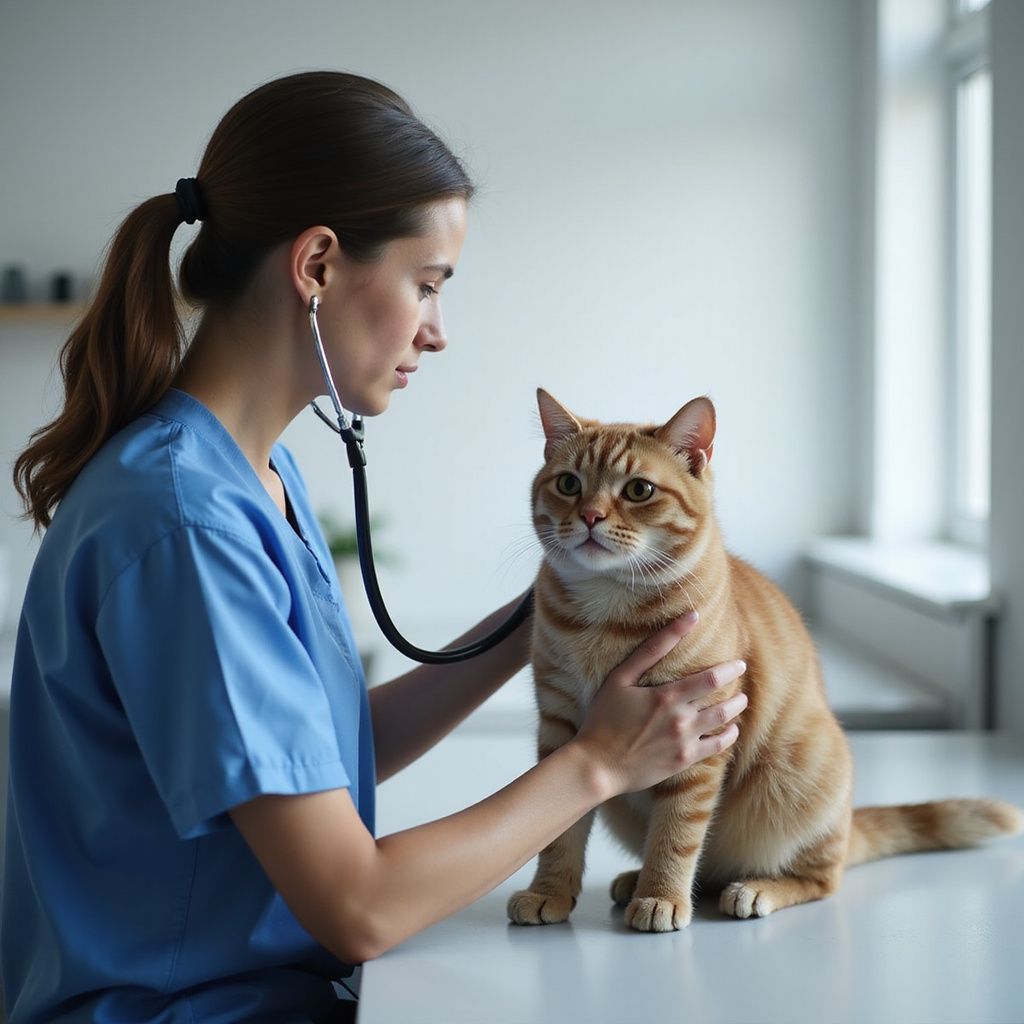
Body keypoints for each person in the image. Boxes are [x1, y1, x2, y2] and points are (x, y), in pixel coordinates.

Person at [1, 71, 747, 1023]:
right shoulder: (184, 525)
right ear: (316, 266)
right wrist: (597, 767)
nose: (437, 333)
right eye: (428, 285)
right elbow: (358, 906)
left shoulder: (256, 477)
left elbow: (314, 758)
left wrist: (541, 621)